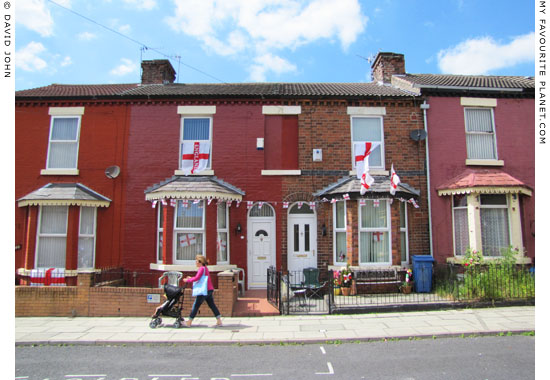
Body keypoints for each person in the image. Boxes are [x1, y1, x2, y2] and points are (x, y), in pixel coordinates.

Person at [183, 255, 222, 327]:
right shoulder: (205, 268)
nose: (195, 263)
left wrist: (187, 280)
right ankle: (219, 320)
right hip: (209, 290)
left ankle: (189, 322)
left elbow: (197, 278)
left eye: (196, 261)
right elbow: (200, 278)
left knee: (196, 305)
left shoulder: (201, 269)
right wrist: (191, 278)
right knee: (212, 305)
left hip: (204, 291)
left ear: (200, 262)